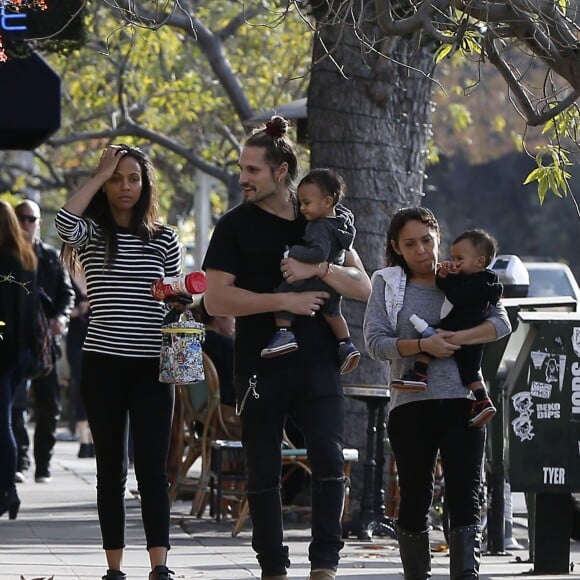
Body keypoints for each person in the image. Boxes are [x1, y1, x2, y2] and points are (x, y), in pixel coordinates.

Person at [202, 115, 371, 580]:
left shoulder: (319, 216)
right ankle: (272, 567)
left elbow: (363, 287)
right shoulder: (234, 226)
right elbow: (216, 298)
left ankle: (325, 565)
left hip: (318, 360)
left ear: (281, 172)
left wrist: (319, 272)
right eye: (241, 169)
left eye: (252, 170)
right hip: (259, 361)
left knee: (329, 458)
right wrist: (284, 300)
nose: (243, 179)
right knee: (261, 467)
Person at [363, 206, 511, 579]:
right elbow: (375, 342)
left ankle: (466, 574)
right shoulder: (389, 284)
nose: (422, 251)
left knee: (466, 493)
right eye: (410, 244)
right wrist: (421, 347)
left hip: (465, 403)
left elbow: (500, 323)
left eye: (427, 241)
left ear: (438, 237)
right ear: (396, 247)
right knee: (415, 495)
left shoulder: (467, 277)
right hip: (411, 404)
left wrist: (455, 339)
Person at [56, 144, 181, 580]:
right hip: (103, 363)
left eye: (133, 178)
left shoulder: (165, 237)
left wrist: (177, 295)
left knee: (151, 467)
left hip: (152, 366)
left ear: (145, 184)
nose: (125, 186)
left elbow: (174, 296)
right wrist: (97, 172)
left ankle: (159, 565)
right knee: (110, 468)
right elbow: (63, 221)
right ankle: (114, 567)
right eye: (116, 178)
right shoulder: (91, 233)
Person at [392, 228, 503, 427]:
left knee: (428, 339)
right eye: (453, 257)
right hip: (474, 341)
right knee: (470, 371)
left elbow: (457, 295)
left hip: (456, 325)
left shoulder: (477, 282)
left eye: (459, 258)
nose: (455, 262)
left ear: (479, 261)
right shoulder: (488, 283)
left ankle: (419, 373)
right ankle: (482, 400)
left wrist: (445, 277)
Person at [260, 168, 360, 374]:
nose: (302, 208)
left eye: (307, 203)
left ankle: (284, 332)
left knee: (283, 292)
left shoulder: (319, 226)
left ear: (327, 201)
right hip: (334, 283)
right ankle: (346, 344)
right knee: (333, 313)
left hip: (315, 279)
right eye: (300, 202)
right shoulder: (341, 223)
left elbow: (318, 253)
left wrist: (293, 251)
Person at [13, 199, 74, 484]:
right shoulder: (7, 256)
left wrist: (61, 317)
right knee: (16, 404)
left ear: (38, 222)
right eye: (21, 218)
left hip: (45, 343)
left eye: (31, 218)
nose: (26, 224)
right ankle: (20, 461)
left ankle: (43, 465)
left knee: (49, 405)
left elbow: (67, 294)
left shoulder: (50, 256)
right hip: (15, 343)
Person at [0, 200, 37, 520]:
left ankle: (7, 490)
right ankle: (8, 489)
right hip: (19, 354)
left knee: (3, 422)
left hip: (5, 352)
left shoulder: (5, 261)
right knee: (7, 419)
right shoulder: (25, 260)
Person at [66, 270, 94, 458]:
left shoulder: (98, 271)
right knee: (81, 385)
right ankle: (84, 439)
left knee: (97, 387)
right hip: (76, 339)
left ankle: (93, 439)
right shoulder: (67, 276)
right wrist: (79, 310)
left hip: (97, 338)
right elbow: (59, 308)